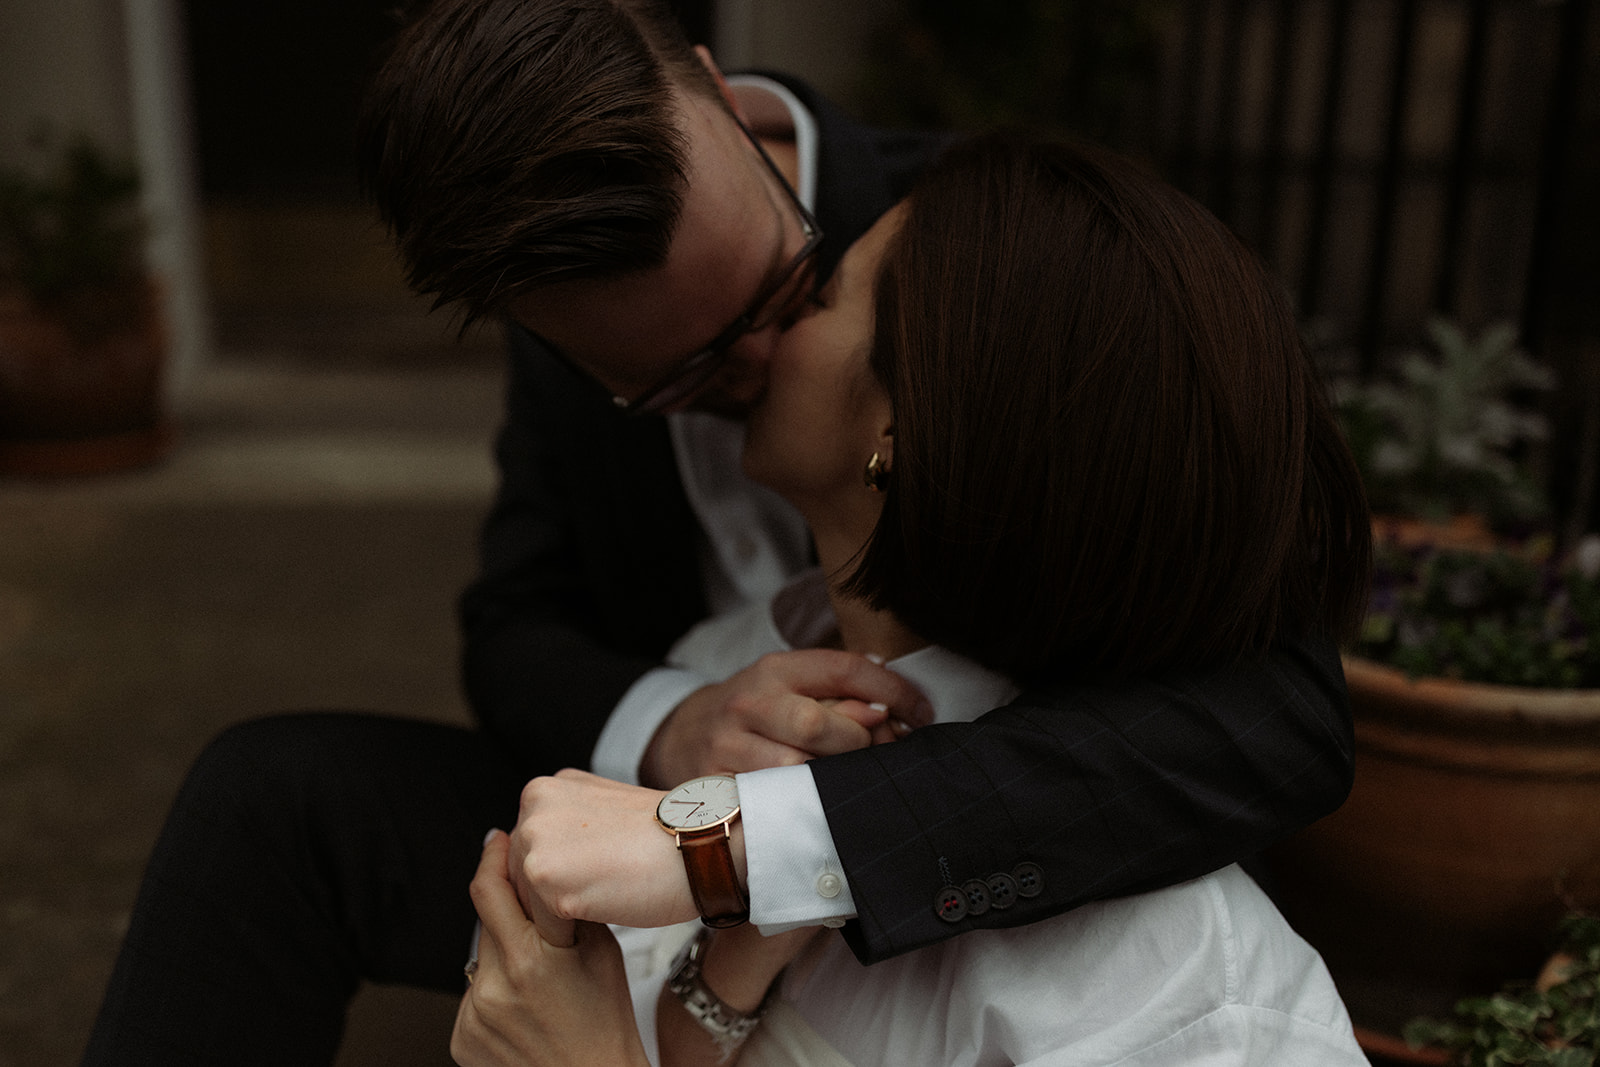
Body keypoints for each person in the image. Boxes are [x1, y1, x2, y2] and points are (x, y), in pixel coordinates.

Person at [83, 0, 1356, 1061]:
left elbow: (1277, 714)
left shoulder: (995, 262)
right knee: (272, 796)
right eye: (676, 375)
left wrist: (744, 844)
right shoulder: (576, 325)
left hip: (983, 804)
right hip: (662, 799)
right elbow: (515, 627)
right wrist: (673, 732)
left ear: (717, 94)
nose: (755, 358)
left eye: (792, 288)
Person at [453, 133, 1373, 1067]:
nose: (753, 342)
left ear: (898, 433)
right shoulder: (734, 671)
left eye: (824, 295)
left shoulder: (1176, 984)